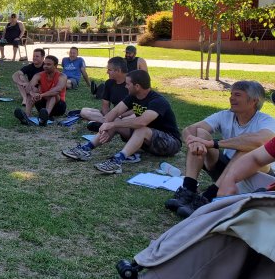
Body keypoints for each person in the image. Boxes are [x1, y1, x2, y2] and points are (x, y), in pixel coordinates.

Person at [166, 80, 275, 218]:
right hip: (227, 170)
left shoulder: (266, 121)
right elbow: (190, 129)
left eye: (237, 95)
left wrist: (215, 143)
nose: (231, 98)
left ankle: (209, 197)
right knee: (199, 133)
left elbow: (260, 141)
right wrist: (193, 142)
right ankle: (188, 190)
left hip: (256, 174)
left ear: (254, 101)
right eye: (231, 94)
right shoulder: (225, 115)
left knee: (248, 149)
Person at [62, 69, 181, 174]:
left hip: (170, 143)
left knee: (140, 129)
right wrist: (106, 125)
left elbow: (141, 122)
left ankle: (117, 161)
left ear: (137, 86)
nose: (125, 86)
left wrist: (112, 124)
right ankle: (85, 149)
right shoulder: (133, 96)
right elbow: (115, 111)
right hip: (148, 141)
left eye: (128, 84)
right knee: (116, 122)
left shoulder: (158, 101)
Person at [14, 55, 67, 126]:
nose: (45, 66)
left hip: (58, 107)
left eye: (49, 64)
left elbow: (57, 90)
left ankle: (45, 118)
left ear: (55, 66)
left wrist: (41, 95)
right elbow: (28, 88)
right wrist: (32, 93)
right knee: (32, 91)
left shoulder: (62, 76)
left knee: (53, 94)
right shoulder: (38, 75)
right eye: (44, 64)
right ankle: (27, 116)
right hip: (42, 107)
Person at [80, 56, 129, 130]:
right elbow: (105, 106)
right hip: (114, 115)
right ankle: (109, 123)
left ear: (118, 71)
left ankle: (107, 124)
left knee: (126, 119)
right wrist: (108, 117)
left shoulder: (132, 82)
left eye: (109, 70)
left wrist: (121, 116)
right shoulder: (109, 83)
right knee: (84, 111)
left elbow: (138, 108)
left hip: (129, 116)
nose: (107, 72)